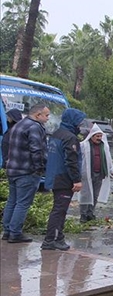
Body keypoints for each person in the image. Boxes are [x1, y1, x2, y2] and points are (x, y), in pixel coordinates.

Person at [2, 104, 50, 243]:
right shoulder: (34, 127)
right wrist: (39, 168)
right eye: (46, 115)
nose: (47, 119)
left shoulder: (19, 125)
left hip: (13, 169)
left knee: (12, 201)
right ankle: (15, 233)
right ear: (37, 115)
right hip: (27, 171)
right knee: (22, 203)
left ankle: (7, 231)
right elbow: (36, 150)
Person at [43, 108, 86, 251]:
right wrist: (77, 180)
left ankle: (58, 237)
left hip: (54, 176)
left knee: (59, 209)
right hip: (63, 179)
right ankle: (51, 239)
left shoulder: (57, 133)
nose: (80, 125)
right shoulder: (70, 138)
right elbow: (71, 161)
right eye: (78, 122)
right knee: (59, 210)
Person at [78, 124, 113, 223]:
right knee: (85, 194)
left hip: (99, 174)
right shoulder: (84, 145)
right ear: (92, 136)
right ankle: (83, 214)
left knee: (95, 195)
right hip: (87, 174)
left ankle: (90, 213)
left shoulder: (104, 146)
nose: (99, 138)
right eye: (97, 136)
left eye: (100, 136)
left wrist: (111, 169)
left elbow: (108, 159)